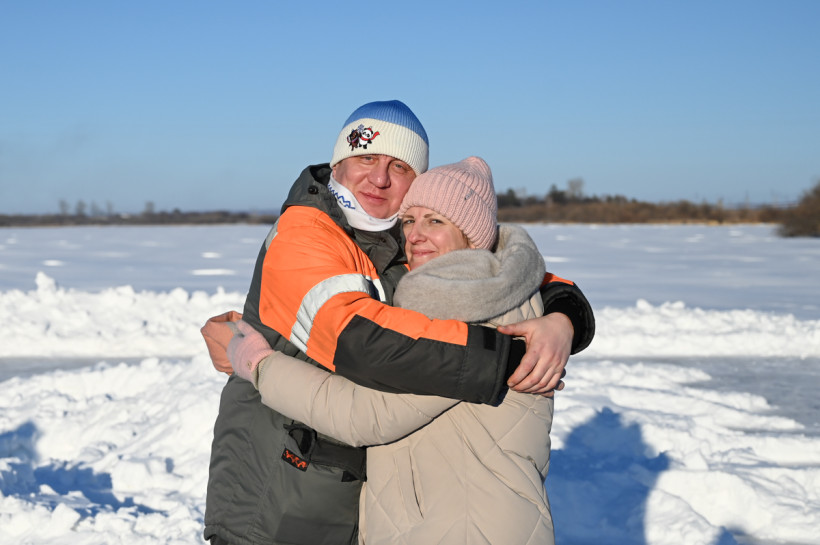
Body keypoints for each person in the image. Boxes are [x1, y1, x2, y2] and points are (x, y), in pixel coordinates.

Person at [202, 100, 594, 545]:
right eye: (366, 157)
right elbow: (363, 343)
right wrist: (506, 355)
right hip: (275, 495)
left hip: (377, 505)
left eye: (400, 166)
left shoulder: (409, 248)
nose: (380, 177)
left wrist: (564, 317)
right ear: (338, 163)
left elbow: (518, 276)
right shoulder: (307, 235)